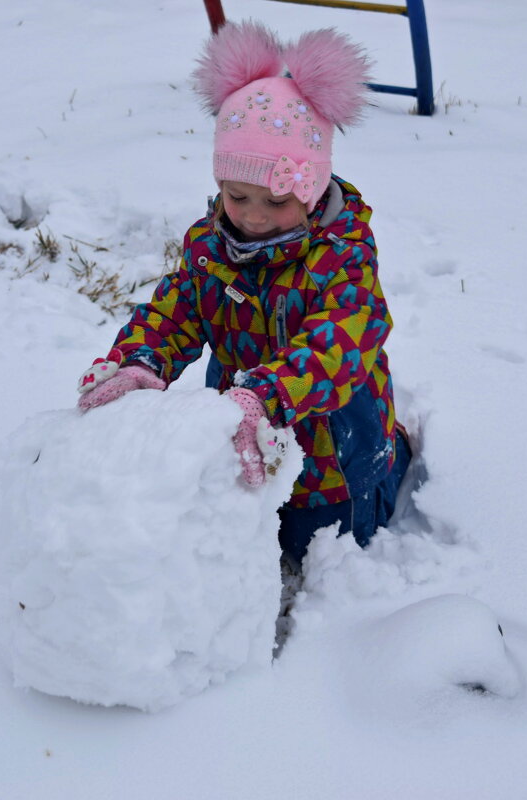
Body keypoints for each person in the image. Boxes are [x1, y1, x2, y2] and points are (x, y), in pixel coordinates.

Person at [76, 21, 411, 568]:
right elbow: (177, 310)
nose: (254, 217)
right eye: (238, 196)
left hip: (332, 451)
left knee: (324, 546)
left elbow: (339, 347)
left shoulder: (342, 257)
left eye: (277, 201)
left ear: (312, 188)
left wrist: (269, 397)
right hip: (242, 433)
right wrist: (140, 361)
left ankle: (396, 454)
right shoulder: (211, 246)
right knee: (248, 538)